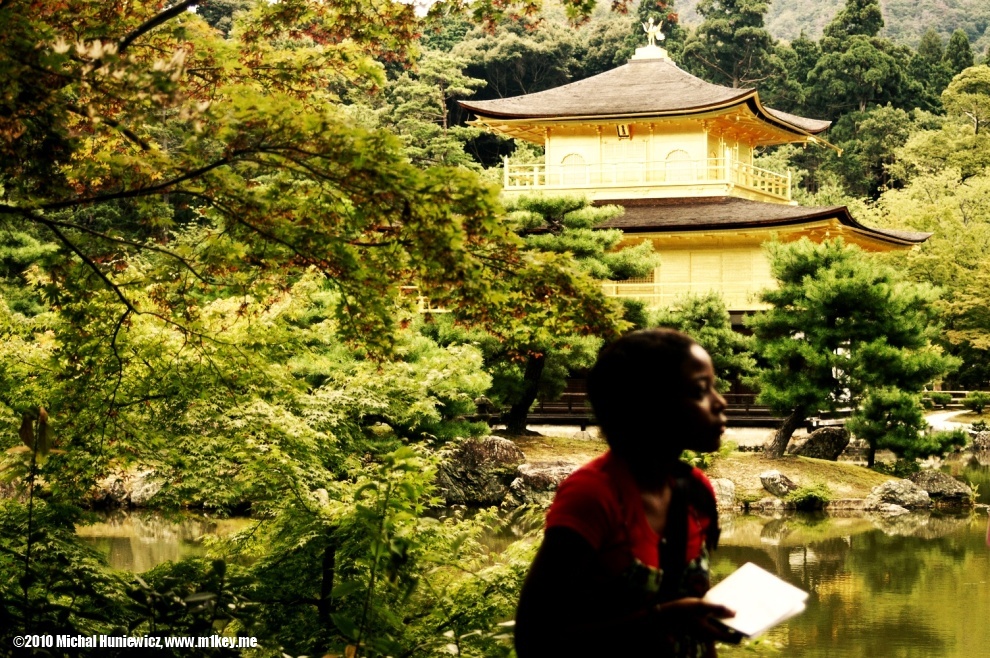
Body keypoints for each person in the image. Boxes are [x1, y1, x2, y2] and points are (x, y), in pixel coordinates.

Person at [514, 328, 739, 657]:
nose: (720, 402)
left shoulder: (695, 490)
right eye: (699, 390)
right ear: (649, 402)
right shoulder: (592, 496)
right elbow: (535, 638)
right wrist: (660, 621)